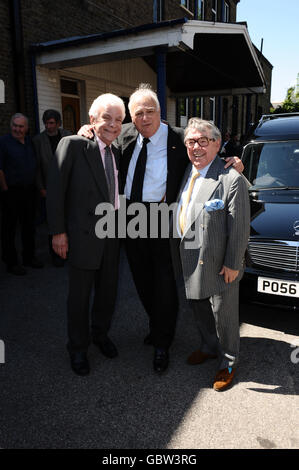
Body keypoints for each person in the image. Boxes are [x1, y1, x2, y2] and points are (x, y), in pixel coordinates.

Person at [78, 83, 243, 374]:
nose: (144, 118)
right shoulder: (125, 134)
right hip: (129, 217)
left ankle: (162, 344)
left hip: (163, 217)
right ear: (131, 116)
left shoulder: (180, 138)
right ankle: (157, 326)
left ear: (160, 112)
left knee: (165, 283)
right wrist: (85, 131)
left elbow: (206, 153)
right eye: (138, 112)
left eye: (150, 111)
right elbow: (102, 141)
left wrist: (233, 162)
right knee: (141, 280)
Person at [46, 94, 125, 375]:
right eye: (107, 118)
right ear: (92, 119)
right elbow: (55, 191)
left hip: (113, 234)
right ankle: (78, 348)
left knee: (107, 293)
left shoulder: (118, 151)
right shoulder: (74, 145)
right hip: (82, 236)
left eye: (118, 120)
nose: (113, 125)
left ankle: (100, 335)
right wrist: (58, 232)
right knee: (79, 298)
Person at [170, 118, 250, 391]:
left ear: (218, 144)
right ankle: (207, 345)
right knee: (198, 306)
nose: (196, 147)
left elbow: (239, 227)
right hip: (190, 253)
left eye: (203, 141)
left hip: (219, 262)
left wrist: (233, 264)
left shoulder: (231, 178)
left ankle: (228, 362)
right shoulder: (187, 171)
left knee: (224, 314)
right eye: (191, 142)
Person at [0, 113, 43, 275]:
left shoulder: (30, 142)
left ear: (26, 128)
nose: (17, 129)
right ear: (11, 126)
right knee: (9, 229)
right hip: (11, 191)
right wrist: (5, 190)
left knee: (29, 226)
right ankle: (11, 263)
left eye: (20, 126)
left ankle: (29, 257)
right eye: (15, 125)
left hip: (29, 191)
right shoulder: (3, 143)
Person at [33, 110, 71, 266]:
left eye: (52, 123)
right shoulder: (38, 140)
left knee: (69, 220)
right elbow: (36, 167)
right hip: (48, 187)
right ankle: (56, 255)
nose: (49, 126)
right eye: (46, 123)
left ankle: (68, 250)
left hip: (68, 186)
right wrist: (41, 187)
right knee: (52, 222)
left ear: (58, 123)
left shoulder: (68, 136)